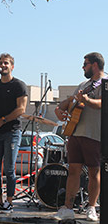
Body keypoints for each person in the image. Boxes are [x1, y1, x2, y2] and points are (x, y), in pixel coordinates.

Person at [53, 52, 105, 222]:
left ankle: (91, 208)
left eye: (85, 64)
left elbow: (102, 104)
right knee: (73, 170)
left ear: (95, 65)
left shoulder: (105, 83)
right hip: (75, 133)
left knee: (94, 172)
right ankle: (68, 208)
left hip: (94, 134)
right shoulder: (84, 84)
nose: (83, 67)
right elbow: (70, 101)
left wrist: (87, 100)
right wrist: (59, 109)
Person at [0, 53, 28, 213]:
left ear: (12, 66)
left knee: (10, 169)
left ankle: (9, 201)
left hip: (11, 131)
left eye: (6, 63)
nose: (2, 65)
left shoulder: (19, 85)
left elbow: (21, 109)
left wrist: (2, 121)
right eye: (0, 63)